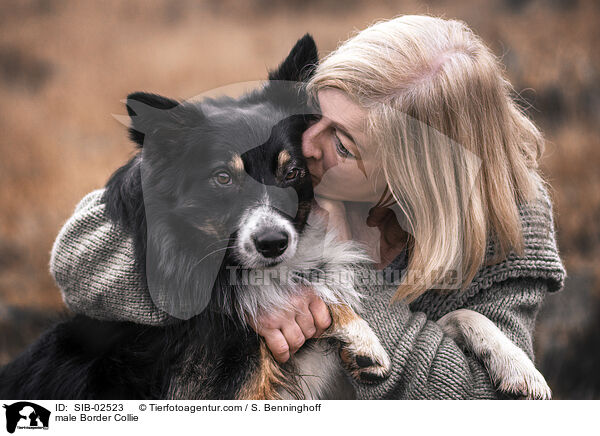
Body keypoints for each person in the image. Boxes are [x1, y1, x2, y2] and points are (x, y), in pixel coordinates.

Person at [50, 15, 565, 399]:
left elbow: (498, 406)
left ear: (414, 176)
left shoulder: (508, 217)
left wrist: (346, 298)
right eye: (316, 113)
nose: (308, 144)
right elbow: (79, 255)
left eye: (345, 143)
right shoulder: (278, 152)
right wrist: (239, 294)